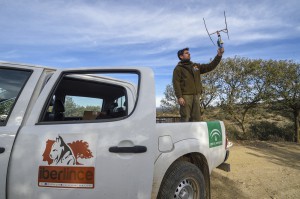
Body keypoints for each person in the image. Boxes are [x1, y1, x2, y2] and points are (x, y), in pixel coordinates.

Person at [172, 47, 224, 122]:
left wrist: (219, 55)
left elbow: (210, 66)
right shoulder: (178, 68)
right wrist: (179, 97)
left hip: (196, 96)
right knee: (185, 116)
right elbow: (176, 83)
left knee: (196, 118)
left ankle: (194, 133)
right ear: (181, 56)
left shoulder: (195, 66)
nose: (189, 54)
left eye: (188, 52)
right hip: (186, 96)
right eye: (186, 53)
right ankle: (184, 133)